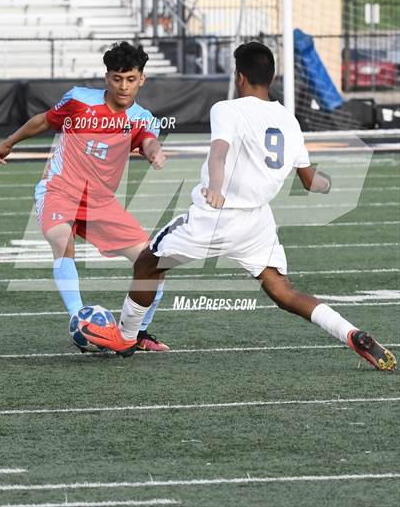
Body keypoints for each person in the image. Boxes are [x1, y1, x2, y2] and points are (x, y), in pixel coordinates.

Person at [80, 41, 396, 371]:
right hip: (256, 222)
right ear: (271, 78)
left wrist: (215, 188)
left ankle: (127, 337)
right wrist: (330, 183)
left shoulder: (227, 109)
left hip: (216, 216)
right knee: (283, 292)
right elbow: (310, 181)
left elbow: (219, 151)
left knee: (148, 263)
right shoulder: (289, 121)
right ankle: (351, 333)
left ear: (240, 76)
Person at [0, 41, 169, 352]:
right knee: (62, 239)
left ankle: (137, 334)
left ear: (141, 79)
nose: (123, 86)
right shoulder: (78, 100)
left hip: (101, 204)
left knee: (153, 264)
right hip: (59, 189)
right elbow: (45, 120)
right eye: (117, 78)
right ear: (106, 77)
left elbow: (149, 140)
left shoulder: (142, 117)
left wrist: (154, 153)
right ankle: (80, 321)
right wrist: (9, 141)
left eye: (131, 79)